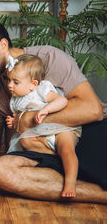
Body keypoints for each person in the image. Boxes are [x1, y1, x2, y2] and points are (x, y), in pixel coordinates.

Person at [0, 18, 107, 203]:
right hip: (41, 146)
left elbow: (92, 109)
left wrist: (28, 120)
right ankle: (99, 194)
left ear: (3, 45)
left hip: (85, 131)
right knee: (0, 171)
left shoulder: (49, 58)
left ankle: (66, 179)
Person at [5, 54, 81, 197]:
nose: (10, 85)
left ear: (33, 84)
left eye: (15, 82)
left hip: (59, 128)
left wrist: (45, 110)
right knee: (24, 141)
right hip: (39, 136)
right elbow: (20, 121)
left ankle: (71, 182)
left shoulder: (41, 89)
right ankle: (54, 158)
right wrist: (13, 122)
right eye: (9, 80)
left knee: (66, 150)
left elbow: (62, 101)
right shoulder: (15, 100)